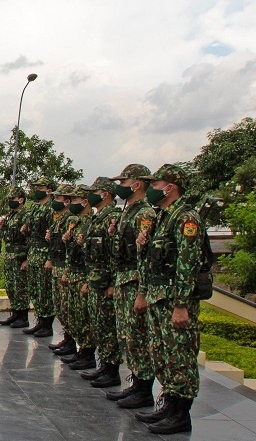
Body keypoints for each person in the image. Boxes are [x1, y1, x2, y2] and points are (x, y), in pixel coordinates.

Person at [135, 163, 204, 434]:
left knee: (180, 356)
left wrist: (181, 305)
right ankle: (168, 405)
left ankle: (180, 413)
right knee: (162, 353)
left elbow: (188, 264)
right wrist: (143, 245)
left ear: (169, 187)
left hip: (174, 298)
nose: (151, 189)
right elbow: (154, 260)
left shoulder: (186, 217)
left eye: (154, 184)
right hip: (158, 296)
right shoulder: (162, 217)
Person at [107, 163, 158, 410]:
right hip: (123, 279)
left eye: (124, 182)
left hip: (135, 280)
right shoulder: (128, 211)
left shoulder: (144, 214)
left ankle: (144, 389)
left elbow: (146, 256)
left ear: (137, 184)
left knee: (137, 336)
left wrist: (142, 291)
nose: (120, 187)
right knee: (128, 335)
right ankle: (136, 385)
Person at [80, 177, 122, 388]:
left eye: (93, 192)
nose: (89, 196)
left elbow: (115, 254)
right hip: (96, 280)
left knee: (107, 327)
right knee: (99, 325)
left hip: (106, 282)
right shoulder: (99, 218)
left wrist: (113, 282)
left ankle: (111, 370)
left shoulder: (112, 218)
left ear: (104, 194)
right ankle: (104, 366)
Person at [59, 187, 96, 369]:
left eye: (74, 200)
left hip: (83, 274)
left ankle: (87, 354)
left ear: (85, 201)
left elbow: (95, 256)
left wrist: (89, 280)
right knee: (72, 314)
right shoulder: (77, 223)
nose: (70, 203)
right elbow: (71, 252)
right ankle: (79, 350)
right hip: (73, 272)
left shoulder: (91, 222)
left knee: (84, 318)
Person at [22, 177, 56, 336]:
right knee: (35, 289)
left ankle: (47, 325)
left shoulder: (51, 209)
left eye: (40, 187)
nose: (37, 190)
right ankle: (40, 321)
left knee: (44, 290)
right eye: (36, 187)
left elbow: (52, 236)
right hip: (34, 252)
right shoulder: (35, 208)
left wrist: (50, 258)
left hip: (44, 253)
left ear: (49, 190)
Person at [0, 187, 31, 327]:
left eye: (12, 199)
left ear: (21, 200)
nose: (10, 202)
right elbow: (8, 237)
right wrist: (2, 227)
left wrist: (27, 259)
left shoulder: (26, 215)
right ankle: (15, 313)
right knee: (11, 286)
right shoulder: (10, 215)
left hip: (20, 257)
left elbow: (30, 238)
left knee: (21, 288)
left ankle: (23, 317)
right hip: (10, 256)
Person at [45, 185, 72, 346]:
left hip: (64, 265)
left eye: (57, 198)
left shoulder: (71, 219)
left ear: (66, 201)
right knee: (61, 307)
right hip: (57, 264)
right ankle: (67, 339)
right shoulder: (59, 218)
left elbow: (70, 247)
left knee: (67, 307)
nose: (54, 201)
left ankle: (71, 342)